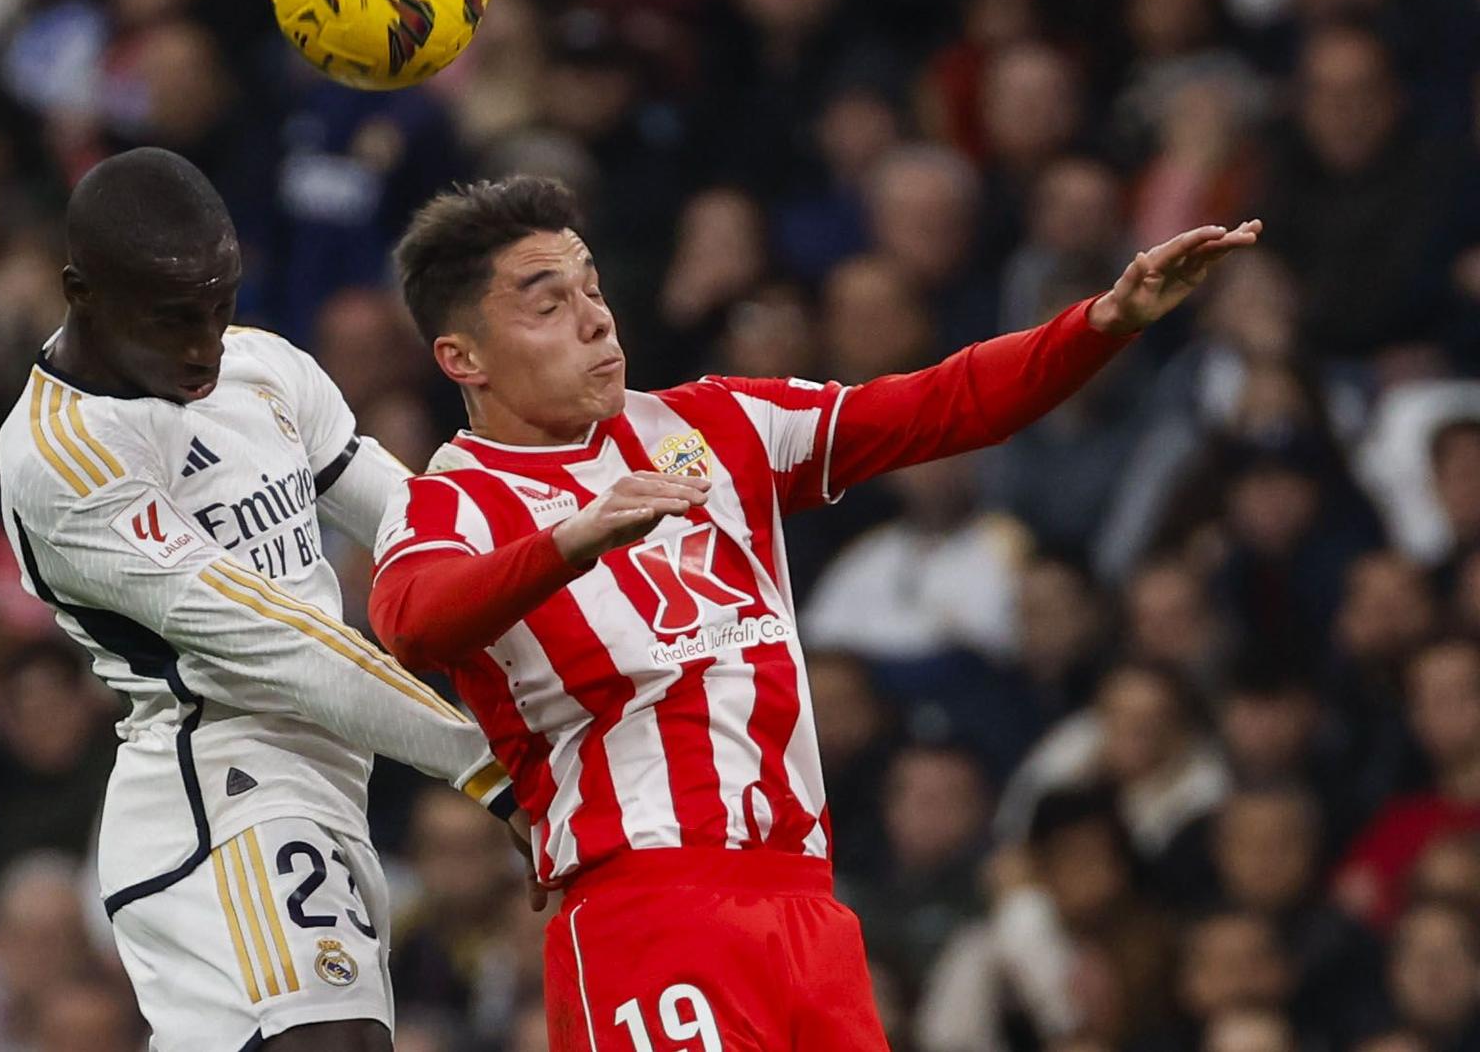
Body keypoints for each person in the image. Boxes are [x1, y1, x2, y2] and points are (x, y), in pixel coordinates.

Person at [367, 175, 1260, 1049]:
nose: (597, 319)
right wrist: (572, 540)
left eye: (593, 290)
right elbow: (411, 622)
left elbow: (938, 405)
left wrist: (1103, 322)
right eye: (547, 304)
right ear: (463, 358)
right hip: (647, 910)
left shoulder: (715, 426)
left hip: (807, 909)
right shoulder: (450, 505)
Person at [0, 147, 516, 1052]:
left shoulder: (262, 366)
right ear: (81, 292)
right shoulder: (63, 457)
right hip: (218, 789)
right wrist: (490, 766)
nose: (205, 345)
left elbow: (412, 526)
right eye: (172, 320)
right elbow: (281, 645)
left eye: (219, 306)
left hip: (327, 775)